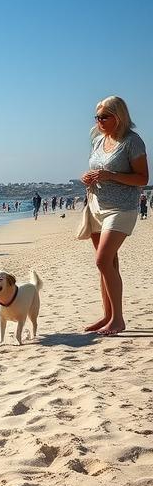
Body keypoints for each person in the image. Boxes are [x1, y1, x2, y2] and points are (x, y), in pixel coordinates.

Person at [80, 95, 148, 336]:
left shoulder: (132, 142)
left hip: (122, 208)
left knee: (102, 260)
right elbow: (97, 168)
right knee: (108, 264)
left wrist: (111, 176)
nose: (99, 121)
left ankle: (118, 320)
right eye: (97, 117)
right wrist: (88, 176)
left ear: (118, 117)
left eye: (104, 117)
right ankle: (108, 315)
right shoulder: (98, 140)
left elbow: (143, 178)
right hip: (97, 205)